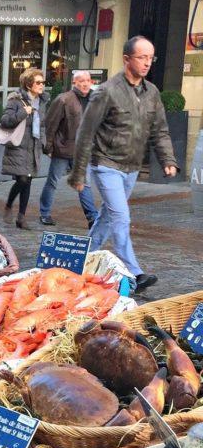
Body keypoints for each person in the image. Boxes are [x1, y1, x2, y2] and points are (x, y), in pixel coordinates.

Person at [69, 36, 177, 294]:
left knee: (108, 215)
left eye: (151, 58)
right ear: (127, 59)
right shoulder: (107, 91)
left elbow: (160, 130)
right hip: (105, 164)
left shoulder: (151, 93)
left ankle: (81, 258)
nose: (147, 63)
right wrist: (79, 173)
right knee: (120, 215)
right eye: (142, 57)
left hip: (131, 168)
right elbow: (86, 132)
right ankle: (134, 272)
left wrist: (168, 160)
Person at [40, 70, 98, 228]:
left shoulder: (94, 99)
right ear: (74, 83)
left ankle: (92, 217)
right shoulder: (64, 99)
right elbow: (50, 125)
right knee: (53, 181)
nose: (85, 83)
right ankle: (44, 213)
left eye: (88, 80)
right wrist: (48, 147)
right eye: (81, 81)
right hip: (63, 149)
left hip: (82, 151)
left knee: (83, 183)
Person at [0, 67, 49, 230]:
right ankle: (8, 204)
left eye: (43, 82)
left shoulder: (41, 102)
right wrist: (23, 112)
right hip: (19, 145)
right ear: (29, 84)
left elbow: (42, 124)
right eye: (38, 82)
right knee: (22, 179)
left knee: (28, 181)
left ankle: (21, 217)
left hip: (34, 146)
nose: (42, 85)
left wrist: (43, 142)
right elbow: (6, 120)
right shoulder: (16, 100)